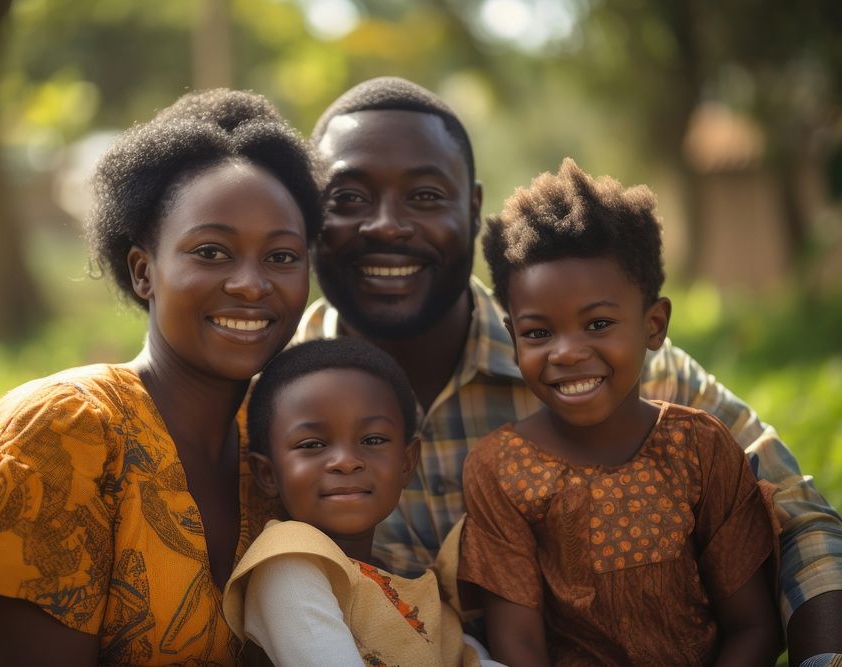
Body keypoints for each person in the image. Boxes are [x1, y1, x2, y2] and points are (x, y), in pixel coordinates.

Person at [295, 75, 842, 663]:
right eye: (347, 199)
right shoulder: (269, 406)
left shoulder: (626, 380)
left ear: (473, 208)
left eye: (425, 195)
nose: (386, 225)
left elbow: (796, 516)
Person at [0, 89, 324, 666]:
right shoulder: (59, 435)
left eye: (281, 257)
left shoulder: (277, 443)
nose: (252, 284)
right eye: (212, 252)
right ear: (143, 271)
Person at [458, 158, 780, 665]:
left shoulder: (700, 448)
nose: (565, 352)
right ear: (512, 334)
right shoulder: (501, 471)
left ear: (654, 324)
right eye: (538, 333)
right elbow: (519, 647)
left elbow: (756, 627)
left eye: (598, 323)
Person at [223, 338, 486, 666]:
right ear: (267, 473)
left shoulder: (402, 579)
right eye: (312, 444)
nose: (346, 462)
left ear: (407, 463)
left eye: (372, 440)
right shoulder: (288, 564)